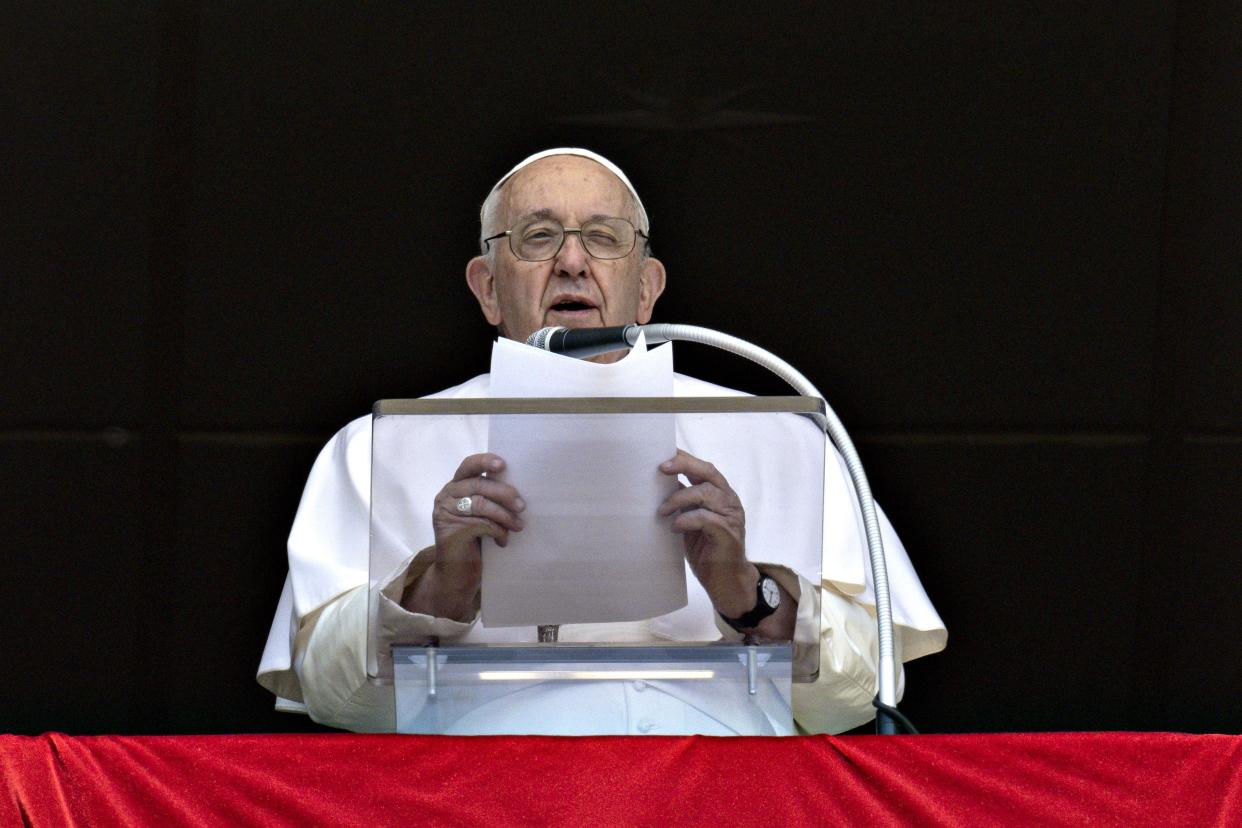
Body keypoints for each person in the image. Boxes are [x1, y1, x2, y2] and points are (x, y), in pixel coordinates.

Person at [258, 148, 947, 734]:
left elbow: (860, 697)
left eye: (604, 237)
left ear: (645, 288)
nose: (572, 262)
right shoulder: (384, 442)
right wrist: (437, 592)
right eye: (536, 237)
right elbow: (331, 698)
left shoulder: (777, 433)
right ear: (487, 288)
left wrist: (749, 593)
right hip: (478, 797)